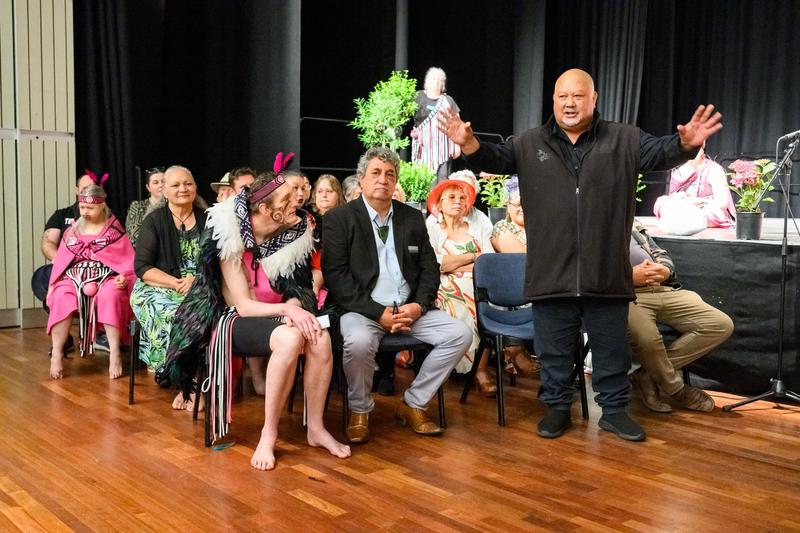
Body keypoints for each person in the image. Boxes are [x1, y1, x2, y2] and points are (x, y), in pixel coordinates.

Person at [440, 68, 722, 441]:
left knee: (611, 351)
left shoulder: (624, 139)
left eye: (578, 96)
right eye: (562, 96)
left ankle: (615, 412)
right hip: (551, 273)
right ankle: (557, 409)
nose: (570, 103)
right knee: (554, 353)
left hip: (605, 274)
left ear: (594, 99)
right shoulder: (530, 143)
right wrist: (471, 144)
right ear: (553, 101)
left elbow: (660, 152)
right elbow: (496, 157)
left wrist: (685, 145)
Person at [168, 160, 351, 471]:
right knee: (291, 338)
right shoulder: (228, 233)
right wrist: (288, 311)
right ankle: (269, 432)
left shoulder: (295, 232)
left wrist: (295, 305)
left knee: (319, 338)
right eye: (286, 200)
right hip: (232, 320)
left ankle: (317, 429)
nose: (297, 201)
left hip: (279, 314)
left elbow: (299, 285)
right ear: (266, 210)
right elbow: (242, 305)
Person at [322, 146, 472, 444]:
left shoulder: (411, 218)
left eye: (390, 174)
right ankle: (360, 410)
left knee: (460, 334)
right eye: (375, 173)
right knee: (359, 341)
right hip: (362, 310)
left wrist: (418, 305)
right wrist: (378, 313)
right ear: (361, 179)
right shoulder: (340, 219)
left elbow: (429, 268)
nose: (383, 180)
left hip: (409, 309)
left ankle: (414, 403)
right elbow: (337, 277)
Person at [627, 219, 733, 413]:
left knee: (720, 324)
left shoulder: (632, 221)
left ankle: (648, 375)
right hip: (627, 294)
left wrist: (665, 269)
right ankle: (677, 389)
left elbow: (658, 251)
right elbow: (587, 271)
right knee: (646, 337)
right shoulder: (590, 225)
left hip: (663, 288)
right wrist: (628, 276)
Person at [130, 165, 207, 394]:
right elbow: (142, 267)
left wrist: (197, 279)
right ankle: (184, 377)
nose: (183, 189)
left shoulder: (208, 220)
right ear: (164, 191)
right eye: (175, 185)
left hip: (199, 284)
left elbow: (217, 262)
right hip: (156, 285)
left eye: (188, 183)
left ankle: (192, 375)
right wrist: (175, 283)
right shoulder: (154, 221)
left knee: (205, 313)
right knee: (174, 313)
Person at [47, 183, 135, 379]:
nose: (85, 212)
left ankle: (114, 353)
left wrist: (124, 276)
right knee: (62, 296)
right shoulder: (72, 231)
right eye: (82, 207)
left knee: (111, 295)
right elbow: (62, 261)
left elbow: (128, 261)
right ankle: (58, 353)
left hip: (107, 277)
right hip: (73, 277)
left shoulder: (115, 230)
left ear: (102, 205)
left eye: (90, 208)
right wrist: (54, 284)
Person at [425, 178, 497, 395]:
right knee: (458, 299)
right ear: (439, 204)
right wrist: (472, 256)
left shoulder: (478, 225)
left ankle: (481, 369)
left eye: (462, 197)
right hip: (444, 285)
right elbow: (436, 264)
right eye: (452, 197)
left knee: (488, 301)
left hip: (478, 282)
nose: (458, 201)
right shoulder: (433, 228)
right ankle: (452, 366)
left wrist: (457, 263)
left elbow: (489, 260)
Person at [489, 175, 539, 376]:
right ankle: (514, 348)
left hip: (542, 284)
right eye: (516, 203)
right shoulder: (503, 227)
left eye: (526, 202)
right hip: (517, 289)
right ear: (508, 206)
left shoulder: (540, 228)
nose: (521, 207)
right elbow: (522, 261)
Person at [654, 145, 736, 231]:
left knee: (714, 213)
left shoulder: (714, 169)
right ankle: (682, 220)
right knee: (661, 201)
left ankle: (682, 220)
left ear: (701, 151)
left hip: (705, 210)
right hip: (683, 208)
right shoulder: (680, 169)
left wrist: (695, 202)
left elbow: (722, 203)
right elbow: (672, 196)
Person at [412, 67, 461, 182]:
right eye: (434, 79)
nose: (437, 82)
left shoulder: (448, 100)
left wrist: (457, 145)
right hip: (424, 149)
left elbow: (457, 123)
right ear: (427, 81)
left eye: (440, 80)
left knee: (443, 180)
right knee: (425, 180)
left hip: (443, 148)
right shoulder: (417, 97)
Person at [126, 167, 165, 246]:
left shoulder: (175, 204)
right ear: (148, 187)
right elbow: (134, 237)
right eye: (155, 182)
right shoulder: (138, 207)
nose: (161, 185)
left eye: (163, 181)